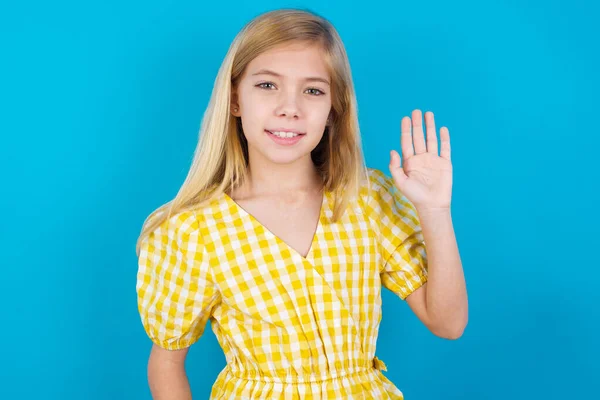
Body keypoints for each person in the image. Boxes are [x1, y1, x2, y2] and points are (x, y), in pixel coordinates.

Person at [135, 8, 467, 400]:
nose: (289, 108)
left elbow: (448, 323)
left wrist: (435, 211)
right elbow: (167, 363)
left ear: (333, 110)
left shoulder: (368, 199)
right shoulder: (191, 230)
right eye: (266, 85)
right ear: (235, 98)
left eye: (312, 90)